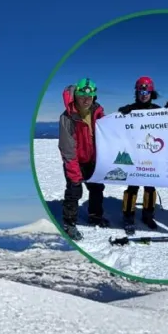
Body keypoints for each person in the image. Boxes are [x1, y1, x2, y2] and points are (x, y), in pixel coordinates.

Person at [116, 76, 168, 234]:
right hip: (135, 154)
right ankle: (128, 216)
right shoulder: (130, 110)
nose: (144, 94)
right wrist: (121, 114)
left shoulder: (157, 110)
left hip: (152, 155)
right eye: (141, 91)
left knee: (150, 187)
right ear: (136, 92)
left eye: (147, 92)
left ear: (151, 93)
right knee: (132, 186)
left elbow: (167, 128)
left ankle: (148, 216)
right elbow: (118, 126)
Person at [58, 78, 107, 240]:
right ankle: (69, 224)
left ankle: (95, 216)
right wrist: (74, 172)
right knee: (74, 191)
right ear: (76, 96)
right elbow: (67, 148)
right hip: (75, 160)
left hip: (92, 160)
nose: (86, 100)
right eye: (82, 96)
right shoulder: (68, 117)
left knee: (97, 188)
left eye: (89, 97)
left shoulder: (98, 113)